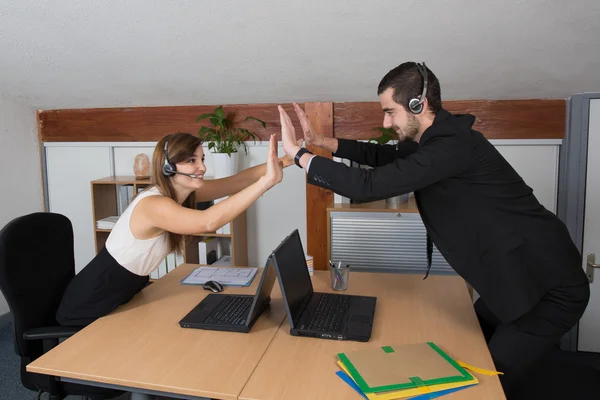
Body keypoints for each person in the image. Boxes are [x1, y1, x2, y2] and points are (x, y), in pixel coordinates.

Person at [278, 62, 590, 398]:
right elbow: (383, 157)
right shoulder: (436, 138)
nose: (385, 122)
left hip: (549, 288)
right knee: (469, 346)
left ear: (418, 105)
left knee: (486, 385)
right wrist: (325, 141)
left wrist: (300, 156)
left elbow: (366, 185)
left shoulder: (451, 146)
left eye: (389, 112)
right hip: (520, 273)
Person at [56, 132, 290, 327]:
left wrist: (287, 160)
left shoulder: (182, 192)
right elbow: (208, 222)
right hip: (92, 300)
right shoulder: (153, 204)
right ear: (168, 167)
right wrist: (266, 182)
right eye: (192, 161)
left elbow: (236, 182)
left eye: (202, 159)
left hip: (126, 292)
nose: (202, 167)